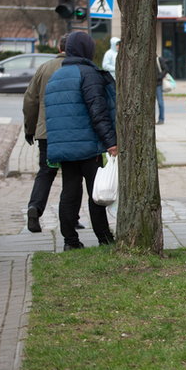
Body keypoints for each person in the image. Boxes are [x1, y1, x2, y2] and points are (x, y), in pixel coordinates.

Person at [44, 31, 118, 250]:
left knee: (69, 192)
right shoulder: (88, 73)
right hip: (87, 145)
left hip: (63, 147)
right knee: (97, 192)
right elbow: (98, 111)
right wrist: (111, 142)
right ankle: (104, 238)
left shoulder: (57, 75)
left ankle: (70, 241)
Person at [23, 36, 84, 233]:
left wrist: (30, 129)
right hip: (71, 132)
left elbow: (30, 100)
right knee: (72, 175)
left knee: (46, 172)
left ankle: (35, 207)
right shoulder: (80, 69)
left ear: (59, 47)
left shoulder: (44, 68)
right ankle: (71, 218)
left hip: (46, 133)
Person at [155, 53, 169, 125]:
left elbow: (166, 69)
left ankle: (161, 119)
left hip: (158, 84)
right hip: (149, 85)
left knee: (160, 102)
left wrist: (160, 77)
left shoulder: (158, 60)